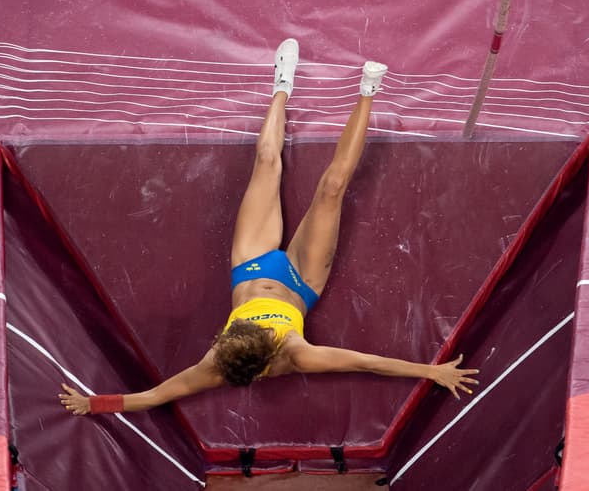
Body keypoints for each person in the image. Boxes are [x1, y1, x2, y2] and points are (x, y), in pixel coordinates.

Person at [59, 39, 478, 416]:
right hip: (300, 280)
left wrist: (92, 403)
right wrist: (431, 371)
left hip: (252, 264)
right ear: (268, 352)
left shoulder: (213, 364)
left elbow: (153, 396)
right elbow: (368, 361)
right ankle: (369, 91)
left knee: (265, 162)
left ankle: (282, 83)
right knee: (332, 188)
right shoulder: (298, 354)